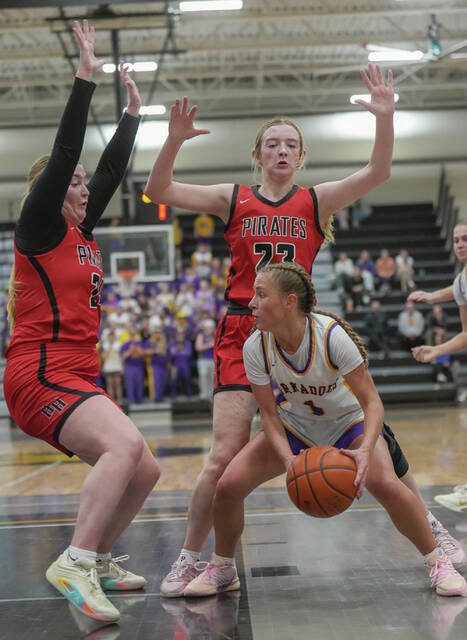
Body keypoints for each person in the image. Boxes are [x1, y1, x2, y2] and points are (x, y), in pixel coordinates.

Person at [144, 64, 397, 596]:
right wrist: (172, 140)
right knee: (223, 456)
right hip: (244, 330)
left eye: (291, 145)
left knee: (374, 443)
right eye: (273, 144)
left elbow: (377, 174)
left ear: (301, 157)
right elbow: (158, 188)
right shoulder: (232, 198)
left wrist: (384, 117)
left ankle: (434, 535)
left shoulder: (315, 200)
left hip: (303, 337)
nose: (282, 152)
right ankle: (197, 558)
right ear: (258, 154)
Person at [182, 262, 467, 598]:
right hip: (296, 425)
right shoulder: (255, 346)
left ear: (289, 302)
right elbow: (270, 417)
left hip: (348, 422)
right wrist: (289, 460)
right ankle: (223, 568)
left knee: (384, 483)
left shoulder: (330, 335)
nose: (252, 303)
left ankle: (437, 561)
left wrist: (363, 450)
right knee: (228, 486)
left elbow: (372, 403)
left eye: (261, 294)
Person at [3, 21, 160, 622]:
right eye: (73, 183)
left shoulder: (82, 230)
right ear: (51, 189)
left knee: (144, 467)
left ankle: (94, 560)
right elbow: (68, 152)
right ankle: (75, 558)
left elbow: (110, 173)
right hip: (39, 374)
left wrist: (133, 117)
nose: (83, 188)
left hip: (76, 375)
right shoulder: (39, 228)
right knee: (123, 446)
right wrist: (85, 78)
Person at [410, 218, 467, 514]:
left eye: (465, 239)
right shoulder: (462, 279)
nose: (459, 244)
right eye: (457, 239)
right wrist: (436, 351)